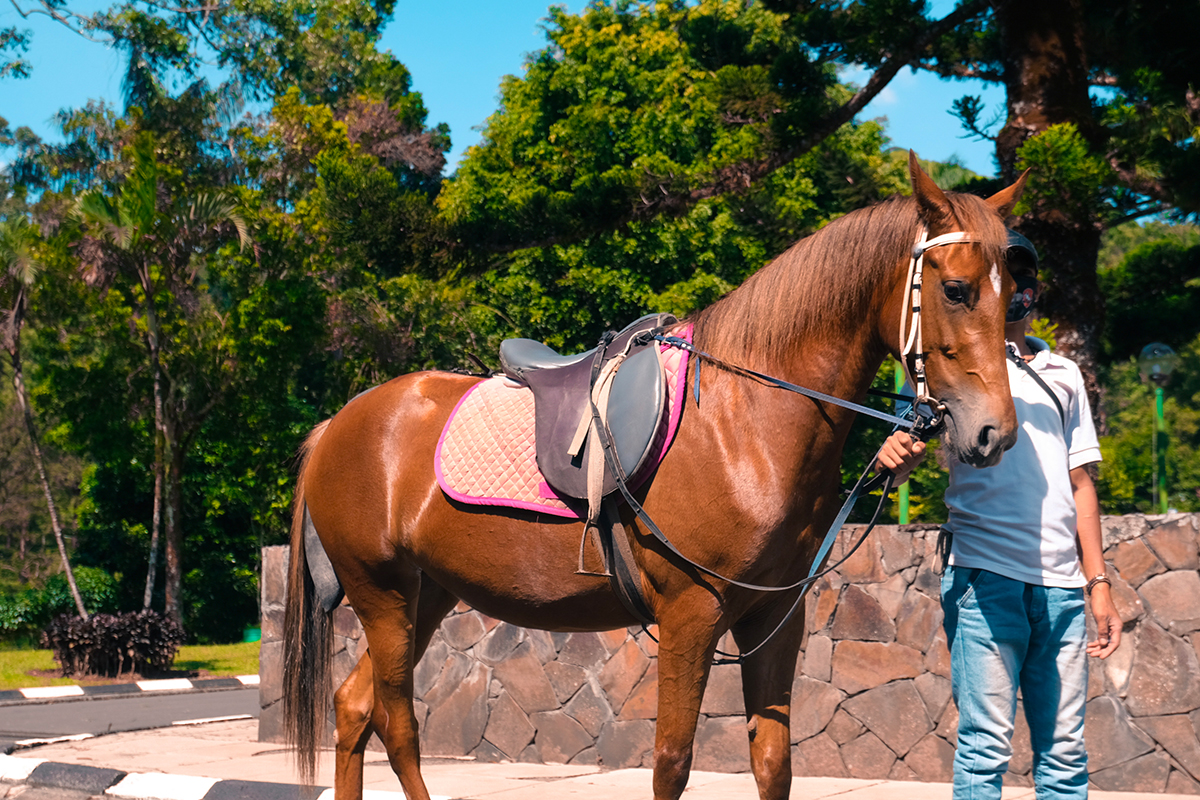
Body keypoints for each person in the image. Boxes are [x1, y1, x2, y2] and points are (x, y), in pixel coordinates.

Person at [877, 231, 1122, 799]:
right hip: (985, 580)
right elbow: (899, 463)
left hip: (1062, 592)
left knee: (1064, 753)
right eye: (1000, 277)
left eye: (1020, 277)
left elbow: (1081, 484)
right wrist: (895, 455)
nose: (1013, 288)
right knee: (985, 747)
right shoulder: (948, 366)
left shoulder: (1064, 375)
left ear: (1031, 290)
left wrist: (1099, 584)